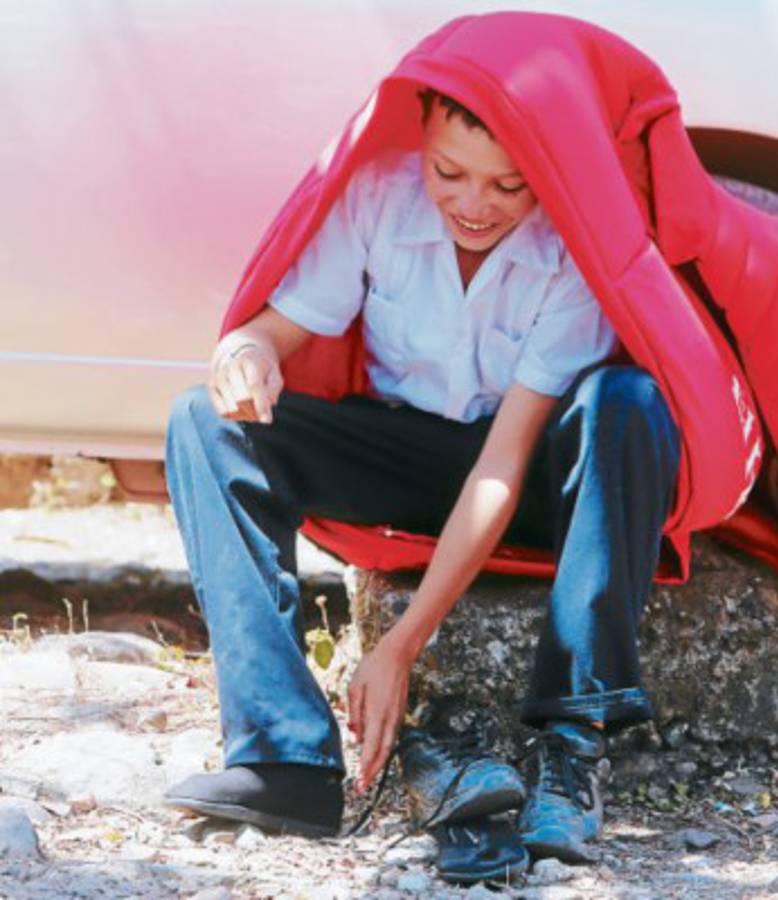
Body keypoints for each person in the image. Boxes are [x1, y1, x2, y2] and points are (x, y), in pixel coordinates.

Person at [162, 87, 681, 866]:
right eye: (450, 173)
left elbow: (500, 466)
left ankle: (572, 744)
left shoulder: (575, 243)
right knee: (201, 420)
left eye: (509, 185)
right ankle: (282, 757)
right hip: (410, 453)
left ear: (547, 170)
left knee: (626, 399)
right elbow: (276, 326)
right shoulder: (379, 197)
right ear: (423, 138)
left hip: (535, 474)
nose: (475, 204)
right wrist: (246, 352)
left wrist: (401, 644)